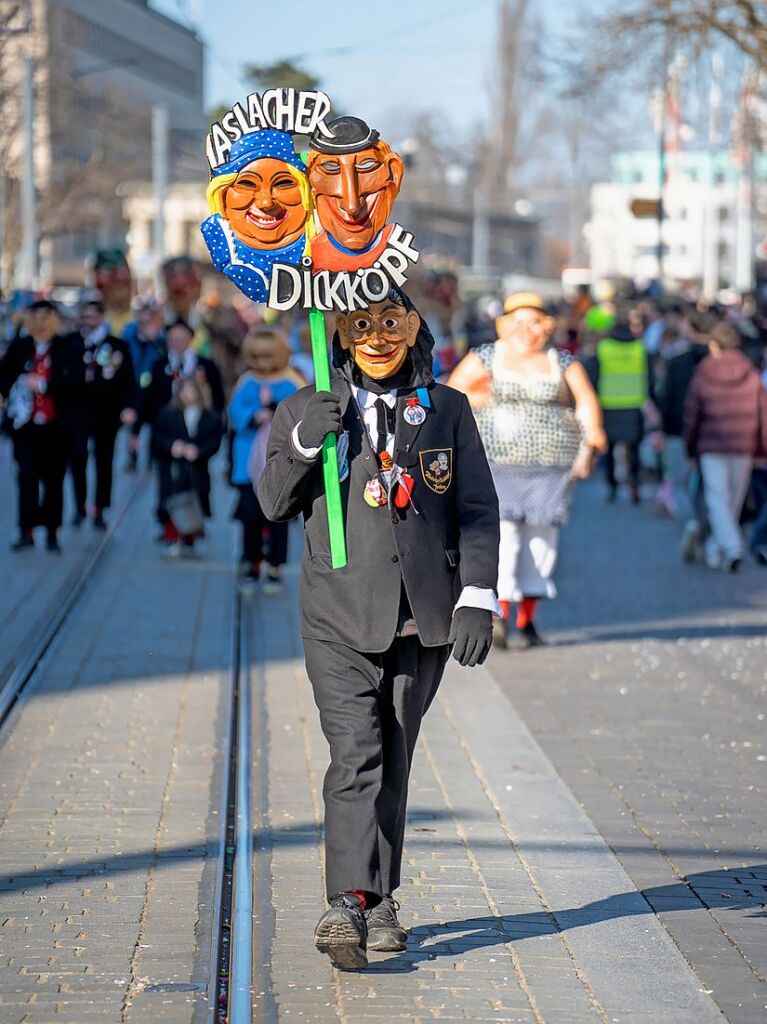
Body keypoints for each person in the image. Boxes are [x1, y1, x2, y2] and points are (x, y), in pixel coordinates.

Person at [257, 289, 499, 970]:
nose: (375, 335)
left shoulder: (446, 408)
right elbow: (272, 501)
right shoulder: (304, 405)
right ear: (336, 333)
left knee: (394, 755)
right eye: (359, 323)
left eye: (389, 321)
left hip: (421, 617)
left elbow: (476, 507)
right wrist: (308, 440)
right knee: (353, 752)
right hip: (336, 612)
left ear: (412, 328)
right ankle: (347, 901)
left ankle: (383, 900)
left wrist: (476, 596)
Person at [449, 292, 606, 649]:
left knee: (541, 541)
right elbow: (452, 393)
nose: (526, 330)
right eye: (517, 322)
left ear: (547, 326)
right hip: (496, 465)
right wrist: (477, 399)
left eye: (534, 322)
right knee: (504, 538)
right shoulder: (487, 356)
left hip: (551, 469)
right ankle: (499, 614)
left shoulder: (561, 361)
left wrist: (592, 437)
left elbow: (586, 401)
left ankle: (528, 619)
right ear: (504, 325)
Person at [0, 299, 84, 552]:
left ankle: (52, 531)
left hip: (56, 429)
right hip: (26, 428)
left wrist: (46, 385)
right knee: (26, 477)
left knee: (53, 480)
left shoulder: (67, 348)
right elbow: (4, 378)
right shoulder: (20, 347)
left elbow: (76, 384)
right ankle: (26, 530)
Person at [683, 322, 767, 572]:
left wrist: (690, 447)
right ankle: (718, 548)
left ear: (713, 344)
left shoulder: (703, 372)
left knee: (717, 498)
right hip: (743, 444)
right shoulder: (751, 374)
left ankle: (729, 547)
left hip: (711, 445)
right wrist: (762, 448)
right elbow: (763, 415)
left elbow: (692, 415)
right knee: (733, 499)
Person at [227, 328, 305, 588]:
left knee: (279, 517)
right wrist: (253, 415)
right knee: (250, 514)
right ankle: (251, 560)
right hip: (248, 462)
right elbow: (235, 412)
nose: (262, 362)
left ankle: (275, 564)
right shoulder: (247, 381)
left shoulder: (292, 381)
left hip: (280, 462)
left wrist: (272, 407)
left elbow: (301, 412)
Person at [201, 130, 314, 303]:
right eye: (247, 184)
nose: (266, 202)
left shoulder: (323, 242)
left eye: (283, 183)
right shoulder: (223, 242)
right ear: (222, 195)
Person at [69, 300, 136, 528]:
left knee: (104, 462)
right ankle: (80, 505)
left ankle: (99, 508)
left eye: (91, 317)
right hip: (78, 414)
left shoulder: (116, 345)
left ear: (100, 317)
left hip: (107, 414)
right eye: (84, 317)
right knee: (77, 459)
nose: (87, 322)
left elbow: (128, 379)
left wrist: (128, 407)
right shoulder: (72, 344)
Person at [306, 116, 404, 271]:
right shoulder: (306, 259)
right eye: (330, 168)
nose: (352, 207)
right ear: (309, 181)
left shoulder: (396, 251)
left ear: (394, 173)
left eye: (366, 166)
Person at [151, 377, 223, 557]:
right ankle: (171, 538)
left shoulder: (210, 416)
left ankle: (191, 538)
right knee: (171, 502)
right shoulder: (168, 414)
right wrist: (172, 446)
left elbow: (215, 442)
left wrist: (198, 451)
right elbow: (157, 438)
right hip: (173, 469)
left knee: (194, 503)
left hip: (197, 471)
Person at [589, 313, 650, 504]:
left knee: (609, 449)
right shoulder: (640, 348)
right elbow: (650, 377)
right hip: (634, 404)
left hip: (609, 404)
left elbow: (594, 375)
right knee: (634, 449)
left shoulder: (604, 348)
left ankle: (613, 486)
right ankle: (634, 483)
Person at [143, 319, 225, 426]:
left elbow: (217, 395)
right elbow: (150, 395)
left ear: (190, 339)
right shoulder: (159, 365)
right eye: (173, 339)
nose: (176, 342)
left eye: (181, 339)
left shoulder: (206, 365)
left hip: (197, 421)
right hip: (164, 422)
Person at [122, 302, 166, 472]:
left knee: (154, 425)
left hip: (153, 387)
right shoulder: (130, 335)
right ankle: (133, 457)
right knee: (135, 425)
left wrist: (154, 340)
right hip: (135, 384)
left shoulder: (159, 340)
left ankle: (149, 460)